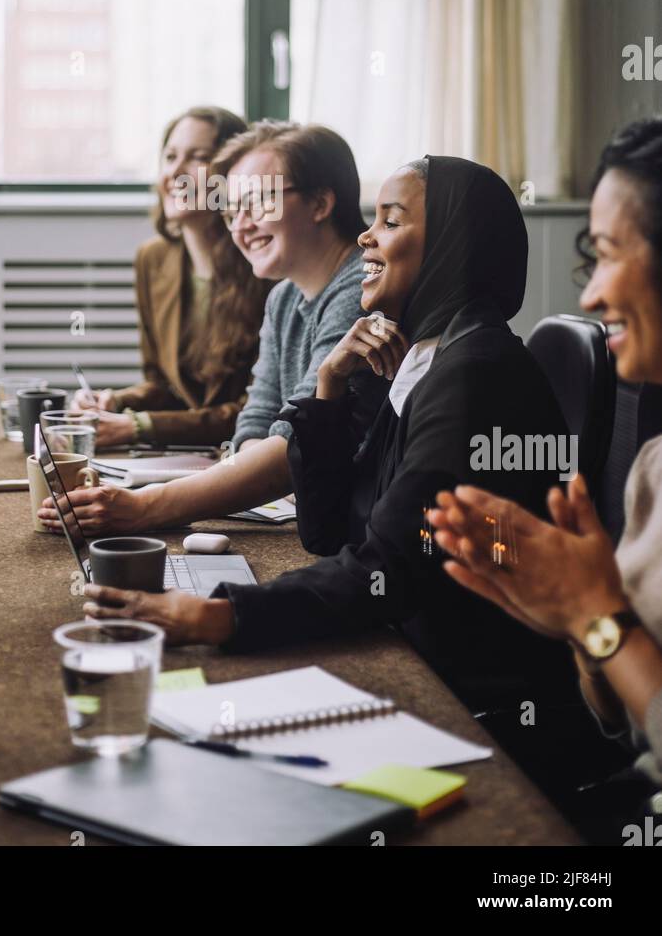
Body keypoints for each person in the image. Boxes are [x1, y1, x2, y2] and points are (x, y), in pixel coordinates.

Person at [80, 154, 577, 715]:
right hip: (410, 652)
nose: (367, 235)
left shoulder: (474, 375)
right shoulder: (421, 362)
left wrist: (218, 614)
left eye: (391, 222)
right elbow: (331, 530)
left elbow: (385, 570)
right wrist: (330, 386)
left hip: (471, 698)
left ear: (451, 247)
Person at [427, 118, 662, 837]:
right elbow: (625, 725)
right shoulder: (652, 470)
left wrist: (600, 616)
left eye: (606, 255)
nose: (589, 295)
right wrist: (576, 625)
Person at [40, 121, 371, 529]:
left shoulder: (362, 290)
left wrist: (146, 507)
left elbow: (297, 444)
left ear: (320, 203)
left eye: (258, 203)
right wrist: (260, 472)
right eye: (232, 211)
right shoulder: (284, 297)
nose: (241, 226)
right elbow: (258, 418)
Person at [70, 107, 270, 449]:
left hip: (246, 456)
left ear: (232, 175)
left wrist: (138, 426)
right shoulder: (153, 260)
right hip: (184, 457)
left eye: (198, 158)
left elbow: (259, 410)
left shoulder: (267, 264)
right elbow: (164, 386)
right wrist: (115, 402)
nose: (176, 173)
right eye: (170, 157)